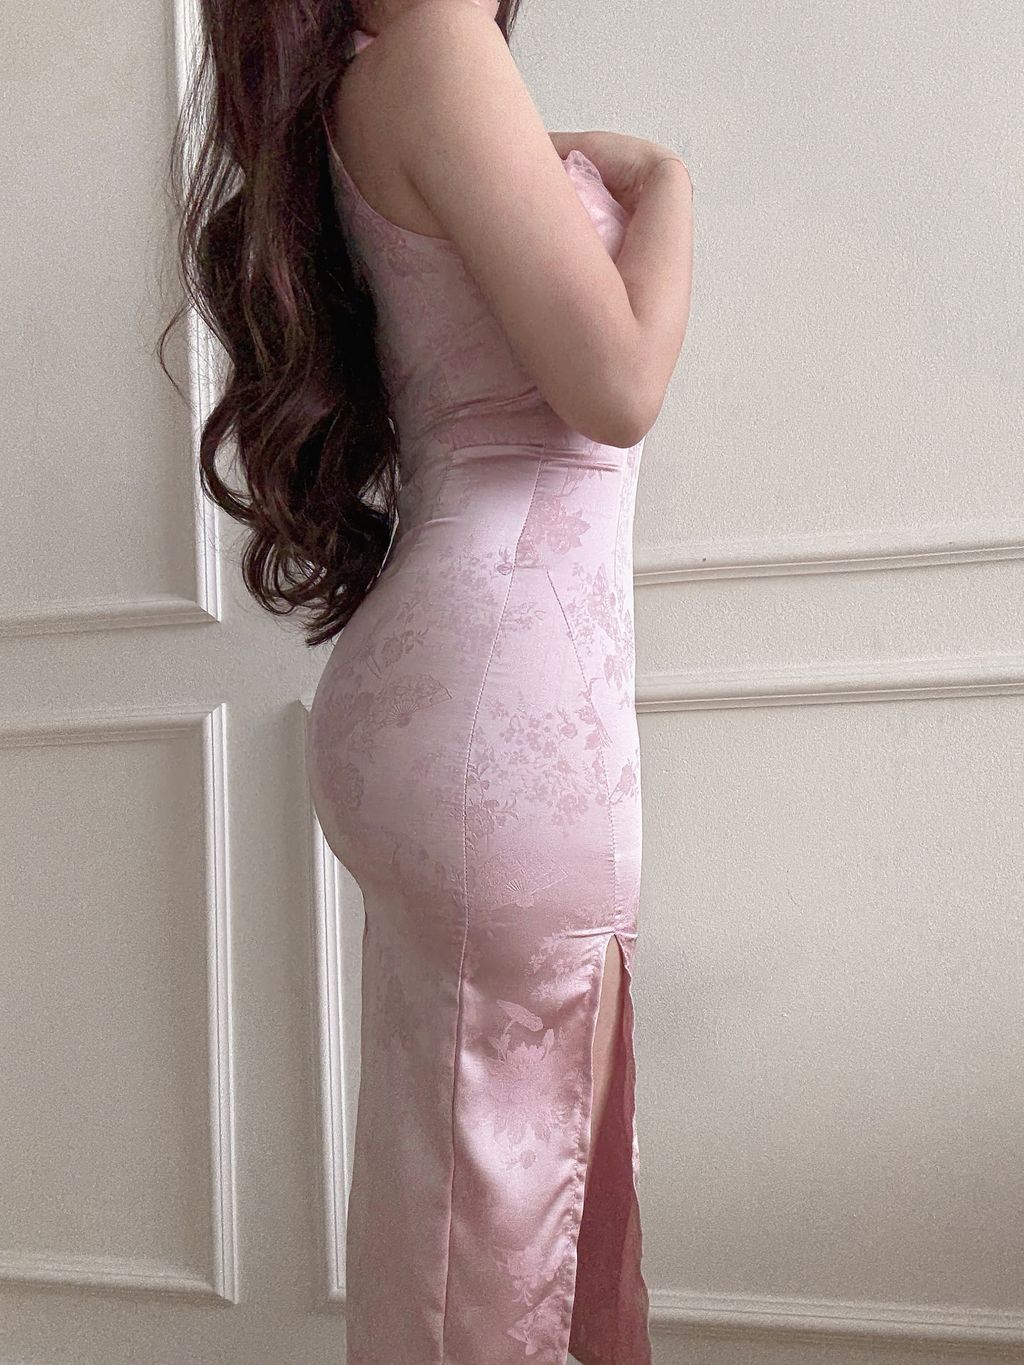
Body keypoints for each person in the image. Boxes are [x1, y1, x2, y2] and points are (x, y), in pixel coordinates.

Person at [163, 0, 693, 1359]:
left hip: (458, 690)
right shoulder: (443, 52)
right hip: (509, 709)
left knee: (477, 1212)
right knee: (506, 1240)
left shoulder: (368, 85)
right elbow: (619, 386)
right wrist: (666, 184)